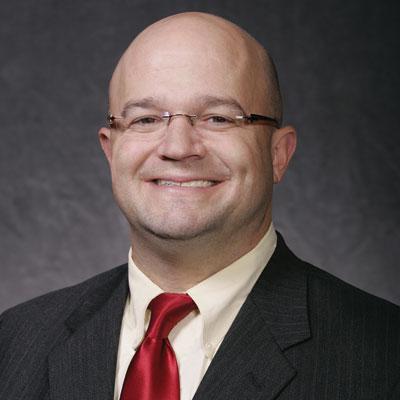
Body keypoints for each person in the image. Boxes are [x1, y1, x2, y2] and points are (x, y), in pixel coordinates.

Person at [0, 12, 399, 400]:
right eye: (145, 119)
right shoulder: (14, 343)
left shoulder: (383, 357)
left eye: (218, 118)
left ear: (278, 154)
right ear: (110, 150)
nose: (177, 147)